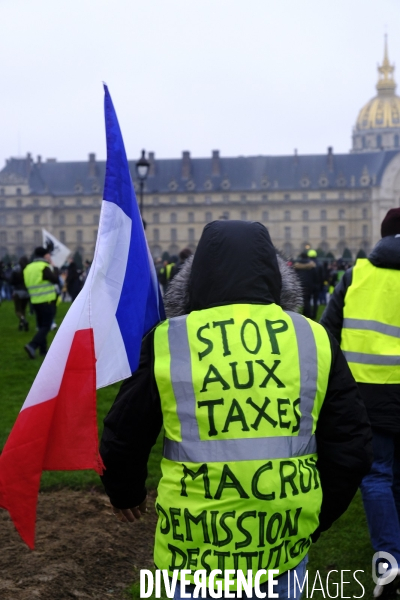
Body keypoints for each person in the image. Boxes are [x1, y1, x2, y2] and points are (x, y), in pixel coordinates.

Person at [100, 220, 371, 599]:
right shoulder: (312, 336)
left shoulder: (169, 338)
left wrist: (125, 491)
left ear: (196, 277)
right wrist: (315, 519)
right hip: (283, 541)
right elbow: (351, 444)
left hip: (191, 549)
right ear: (274, 274)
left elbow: (125, 431)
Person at [321, 207, 400, 598]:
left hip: (368, 393)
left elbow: (327, 335)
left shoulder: (356, 275)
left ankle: (389, 558)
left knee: (377, 475)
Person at [23, 246, 59, 358]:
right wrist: (55, 267)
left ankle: (43, 351)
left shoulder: (28, 268)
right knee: (46, 326)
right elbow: (55, 279)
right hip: (47, 300)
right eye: (48, 254)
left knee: (41, 325)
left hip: (35, 301)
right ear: (45, 255)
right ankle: (32, 345)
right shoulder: (44, 267)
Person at [293, 251, 317, 318]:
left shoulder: (297, 265)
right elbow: (315, 275)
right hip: (310, 284)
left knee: (304, 300)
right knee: (308, 300)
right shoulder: (312, 265)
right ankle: (308, 314)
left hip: (301, 284)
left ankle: (306, 314)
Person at [10, 256, 30, 330]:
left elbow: (11, 281)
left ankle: (23, 320)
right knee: (23, 309)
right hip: (26, 291)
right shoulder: (28, 269)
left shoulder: (16, 269)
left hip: (18, 291)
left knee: (18, 310)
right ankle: (21, 325)